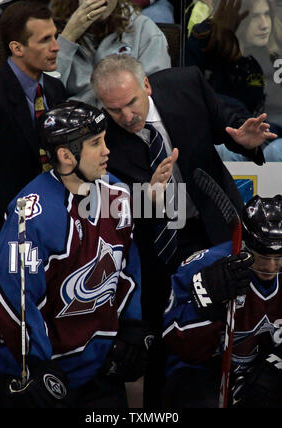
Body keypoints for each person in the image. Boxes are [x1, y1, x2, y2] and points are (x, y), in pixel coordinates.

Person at [90, 52, 277, 406]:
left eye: (131, 103)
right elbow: (110, 207)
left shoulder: (186, 82)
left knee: (230, 318)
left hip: (216, 225)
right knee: (163, 334)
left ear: (146, 85)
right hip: (158, 243)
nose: (127, 117)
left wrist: (244, 141)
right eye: (115, 110)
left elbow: (230, 125)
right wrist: (149, 197)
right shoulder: (101, 136)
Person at [0, 100, 153, 408]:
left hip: (97, 365)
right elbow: (11, 299)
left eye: (104, 140)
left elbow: (128, 267)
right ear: (65, 155)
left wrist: (132, 323)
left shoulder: (118, 196)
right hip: (42, 373)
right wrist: (35, 363)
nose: (107, 151)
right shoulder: (32, 215)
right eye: (95, 143)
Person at [162, 194, 282, 408]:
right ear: (246, 243)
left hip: (264, 365)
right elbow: (172, 339)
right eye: (263, 257)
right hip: (202, 369)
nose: (271, 267)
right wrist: (209, 302)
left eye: (279, 258)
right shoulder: (203, 265)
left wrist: (272, 369)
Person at [0, 1, 67, 262]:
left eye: (55, 36)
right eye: (44, 40)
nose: (56, 46)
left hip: (55, 222)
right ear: (17, 47)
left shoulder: (55, 89)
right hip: (5, 233)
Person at [185, 0, 282, 161]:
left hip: (272, 135)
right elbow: (191, 94)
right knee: (222, 151)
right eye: (254, 17)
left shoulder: (277, 42)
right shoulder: (205, 40)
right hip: (228, 135)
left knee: (276, 152)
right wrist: (239, 118)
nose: (264, 25)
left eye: (267, 15)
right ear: (236, 17)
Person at [51, 0, 171, 106]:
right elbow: (45, 93)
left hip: (124, 120)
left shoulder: (143, 29)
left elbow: (158, 93)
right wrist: (68, 38)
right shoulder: (52, 31)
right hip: (75, 122)